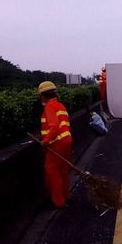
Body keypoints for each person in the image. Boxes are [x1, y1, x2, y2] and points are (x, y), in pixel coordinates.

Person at [38, 81, 73, 209]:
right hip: (66, 141)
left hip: (56, 143)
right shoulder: (60, 105)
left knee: (52, 172)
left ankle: (59, 202)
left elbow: (54, 126)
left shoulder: (49, 106)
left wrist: (45, 141)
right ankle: (66, 196)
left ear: (42, 95)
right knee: (64, 171)